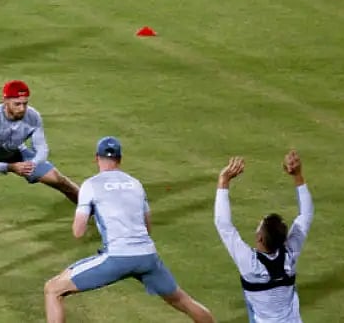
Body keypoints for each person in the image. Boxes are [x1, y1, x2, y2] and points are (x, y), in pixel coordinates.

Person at [43, 137, 215, 323]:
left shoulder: (91, 185)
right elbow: (147, 227)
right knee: (182, 300)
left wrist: (90, 211)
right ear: (120, 159)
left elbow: (78, 232)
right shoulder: (136, 184)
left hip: (117, 258)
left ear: (96, 158)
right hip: (147, 257)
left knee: (53, 289)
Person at [0, 80, 79, 247]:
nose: (22, 108)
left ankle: (93, 210)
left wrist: (32, 164)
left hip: (15, 152)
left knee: (58, 179)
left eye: (25, 103)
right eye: (17, 104)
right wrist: (9, 167)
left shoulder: (33, 117)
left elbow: (42, 150)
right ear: (5, 101)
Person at [215, 150, 312, 322]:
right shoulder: (289, 256)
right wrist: (298, 176)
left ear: (259, 238)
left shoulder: (250, 265)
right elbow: (306, 215)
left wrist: (223, 181)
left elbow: (224, 224)